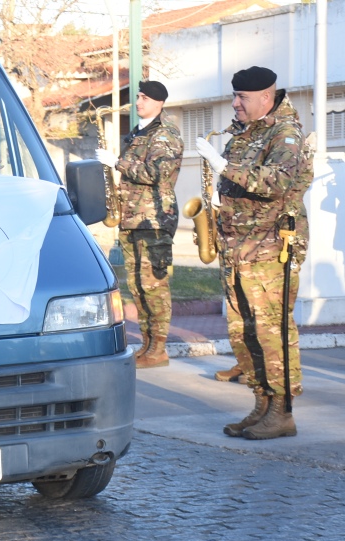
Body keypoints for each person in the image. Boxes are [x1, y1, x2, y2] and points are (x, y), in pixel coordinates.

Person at [196, 66, 313, 440]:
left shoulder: (286, 134)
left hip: (270, 247)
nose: (235, 104)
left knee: (271, 332)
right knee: (242, 331)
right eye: (235, 96)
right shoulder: (244, 131)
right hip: (237, 245)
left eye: (242, 98)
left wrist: (223, 165)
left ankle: (283, 411)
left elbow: (277, 181)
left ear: (267, 96)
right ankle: (262, 405)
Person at [96, 80, 184, 369]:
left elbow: (158, 173)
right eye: (138, 96)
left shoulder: (165, 134)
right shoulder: (139, 133)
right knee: (137, 286)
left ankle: (158, 347)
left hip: (154, 219)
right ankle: (147, 345)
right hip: (133, 217)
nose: (138, 101)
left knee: (154, 285)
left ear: (159, 102)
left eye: (144, 97)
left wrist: (117, 163)